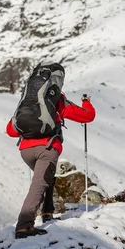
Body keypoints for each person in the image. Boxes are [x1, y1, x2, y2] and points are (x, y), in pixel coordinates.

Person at [6, 87, 96, 239]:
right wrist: (86, 103)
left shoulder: (27, 101)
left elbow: (11, 131)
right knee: (39, 184)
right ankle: (24, 226)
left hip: (25, 151)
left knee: (46, 178)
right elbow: (88, 116)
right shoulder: (57, 101)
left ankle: (47, 212)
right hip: (47, 148)